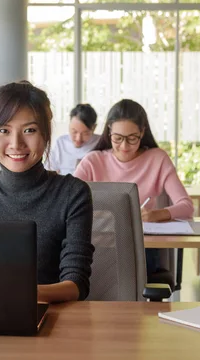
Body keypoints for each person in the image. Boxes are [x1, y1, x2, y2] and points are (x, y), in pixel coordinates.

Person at [0, 81, 94, 303]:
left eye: (29, 130)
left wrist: (21, 295)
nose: (16, 144)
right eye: (4, 130)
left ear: (45, 135)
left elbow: (76, 284)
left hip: (50, 320)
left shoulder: (72, 193)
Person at [73, 99, 193, 277]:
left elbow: (187, 207)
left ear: (142, 132)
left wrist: (155, 215)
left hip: (142, 249)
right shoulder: (93, 161)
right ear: (109, 132)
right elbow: (68, 204)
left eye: (132, 138)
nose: (124, 146)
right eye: (118, 138)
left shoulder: (157, 159)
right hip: (99, 248)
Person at [46, 103, 100, 175]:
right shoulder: (61, 143)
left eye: (85, 133)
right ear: (69, 124)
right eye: (74, 131)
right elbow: (48, 170)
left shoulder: (100, 142)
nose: (78, 139)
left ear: (94, 128)